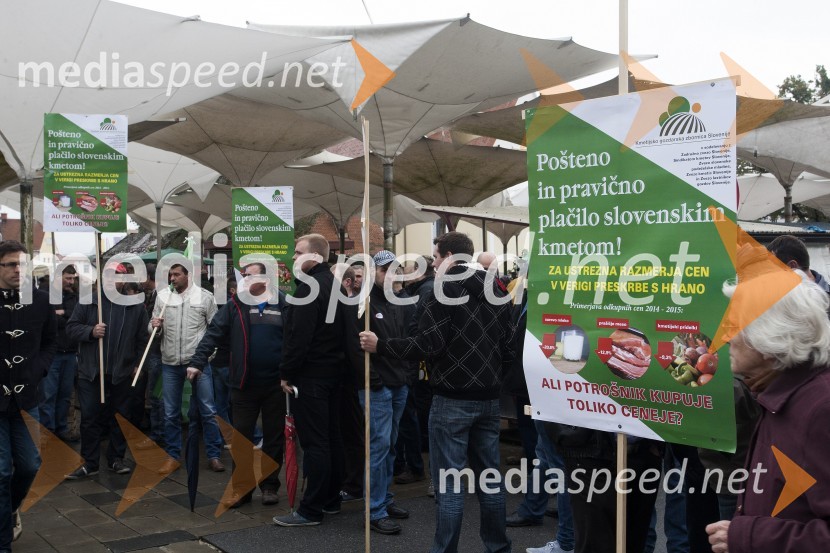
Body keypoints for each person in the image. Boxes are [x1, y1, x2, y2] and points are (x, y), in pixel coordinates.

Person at [360, 231, 515, 553]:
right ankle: (498, 547)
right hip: (488, 398)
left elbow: (428, 345)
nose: (433, 263)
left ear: (447, 256)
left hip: (452, 399)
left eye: (435, 256)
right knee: (490, 480)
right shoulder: (497, 287)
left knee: (450, 485)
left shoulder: (443, 289)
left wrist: (382, 345)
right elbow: (509, 345)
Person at [706, 250, 830, 553]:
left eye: (735, 325)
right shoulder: (780, 393)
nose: (725, 336)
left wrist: (749, 536)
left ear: (769, 337)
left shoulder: (820, 410)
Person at [189, 262, 286, 507]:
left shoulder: (283, 302)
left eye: (249, 275)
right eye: (243, 276)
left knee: (274, 437)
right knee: (242, 437)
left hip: (277, 383)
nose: (244, 279)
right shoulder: (236, 305)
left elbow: (297, 337)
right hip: (244, 384)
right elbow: (213, 333)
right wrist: (198, 362)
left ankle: (270, 486)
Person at [274, 234, 347, 527]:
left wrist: (286, 373)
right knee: (332, 439)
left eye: (298, 252)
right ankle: (330, 500)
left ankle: (310, 509)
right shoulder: (334, 285)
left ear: (314, 257)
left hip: (312, 376)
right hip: (334, 374)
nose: (293, 257)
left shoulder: (308, 289)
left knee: (316, 443)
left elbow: (298, 339)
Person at [346, 250, 414, 535]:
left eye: (395, 270)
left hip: (398, 383)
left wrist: (407, 375)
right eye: (387, 270)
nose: (392, 275)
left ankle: (384, 499)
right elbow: (355, 346)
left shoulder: (398, 301)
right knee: (377, 447)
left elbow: (404, 339)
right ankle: (374, 509)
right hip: (378, 386)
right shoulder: (361, 302)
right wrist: (373, 381)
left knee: (390, 446)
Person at [65, 263, 149, 479]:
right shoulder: (88, 301)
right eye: (109, 276)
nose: (113, 280)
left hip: (122, 370)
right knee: (90, 418)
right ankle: (90, 463)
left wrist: (138, 363)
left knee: (121, 417)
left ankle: (116, 458)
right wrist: (90, 331)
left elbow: (142, 339)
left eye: (118, 276)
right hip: (91, 371)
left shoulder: (135, 305)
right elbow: (71, 327)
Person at [0, 240, 56, 550]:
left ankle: (9, 510)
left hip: (26, 398)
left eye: (21, 264)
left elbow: (51, 341)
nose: (17, 270)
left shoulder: (41, 300)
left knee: (30, 465)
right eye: (10, 264)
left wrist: (39, 369)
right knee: (0, 470)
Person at [150, 264, 224, 474]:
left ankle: (214, 455)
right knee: (170, 413)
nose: (172, 278)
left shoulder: (205, 296)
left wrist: (208, 357)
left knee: (208, 411)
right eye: (170, 275)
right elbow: (153, 330)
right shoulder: (162, 297)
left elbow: (215, 330)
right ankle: (172, 456)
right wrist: (154, 326)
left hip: (198, 363)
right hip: (171, 363)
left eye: (176, 274)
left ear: (187, 275)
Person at [331, 263, 364, 504]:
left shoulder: (356, 307)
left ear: (347, 283)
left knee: (353, 433)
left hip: (351, 380)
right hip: (338, 379)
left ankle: (354, 483)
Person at [39, 265, 79, 441]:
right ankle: (47, 431)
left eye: (72, 278)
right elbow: (49, 321)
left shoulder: (73, 296)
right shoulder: (45, 295)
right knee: (48, 394)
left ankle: (61, 429)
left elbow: (75, 319)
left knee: (64, 395)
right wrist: (63, 317)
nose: (71, 282)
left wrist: (62, 314)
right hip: (52, 353)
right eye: (68, 278)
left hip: (70, 351)